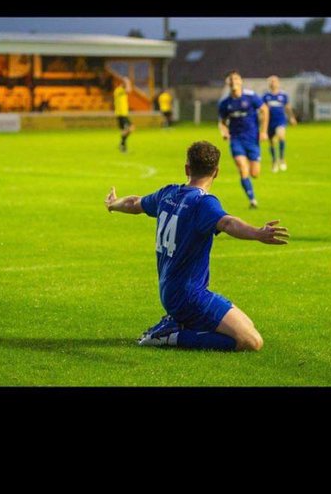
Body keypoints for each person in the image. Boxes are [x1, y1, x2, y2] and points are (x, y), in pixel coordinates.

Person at [104, 139, 289, 351]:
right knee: (251, 341)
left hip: (172, 290)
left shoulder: (168, 193)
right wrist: (257, 233)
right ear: (216, 172)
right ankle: (170, 335)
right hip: (189, 295)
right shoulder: (203, 203)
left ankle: (178, 324)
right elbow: (227, 222)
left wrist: (112, 204)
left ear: (187, 168)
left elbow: (133, 203)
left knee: (247, 326)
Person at [218, 71, 268, 208]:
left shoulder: (250, 97)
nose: (234, 81)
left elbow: (265, 109)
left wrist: (263, 131)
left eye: (236, 78)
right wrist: (224, 132)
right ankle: (252, 200)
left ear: (240, 81)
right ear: (228, 83)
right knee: (242, 168)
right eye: (231, 79)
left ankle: (251, 190)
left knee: (254, 173)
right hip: (236, 139)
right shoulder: (225, 103)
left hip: (252, 139)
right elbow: (222, 121)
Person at [262, 74, 297, 172]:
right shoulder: (265, 96)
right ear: (269, 84)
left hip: (280, 120)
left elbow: (288, 107)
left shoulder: (283, 95)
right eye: (271, 81)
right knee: (272, 143)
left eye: (275, 81)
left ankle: (282, 159)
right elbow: (262, 110)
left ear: (278, 83)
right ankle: (274, 161)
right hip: (269, 122)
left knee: (281, 135)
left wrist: (292, 117)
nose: (273, 83)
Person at [113, 76, 134, 153]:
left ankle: (122, 146)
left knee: (124, 130)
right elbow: (129, 90)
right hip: (121, 114)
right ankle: (122, 145)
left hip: (123, 114)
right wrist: (128, 82)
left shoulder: (121, 90)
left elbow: (128, 91)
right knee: (130, 128)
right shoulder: (118, 90)